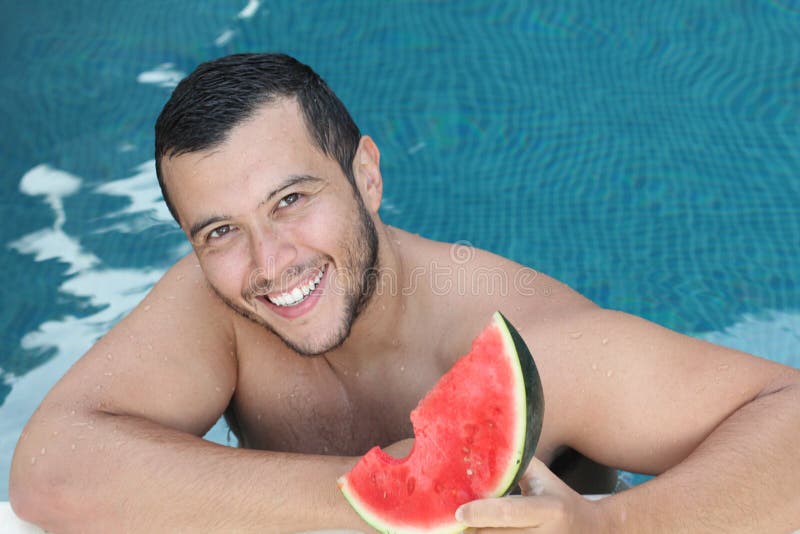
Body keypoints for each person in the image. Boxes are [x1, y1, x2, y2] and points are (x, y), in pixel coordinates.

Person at [9, 53, 799, 533]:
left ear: (367, 175)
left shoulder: (524, 337)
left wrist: (615, 527)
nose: (270, 261)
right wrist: (386, 490)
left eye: (292, 200)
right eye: (219, 230)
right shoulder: (221, 298)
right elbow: (50, 473)